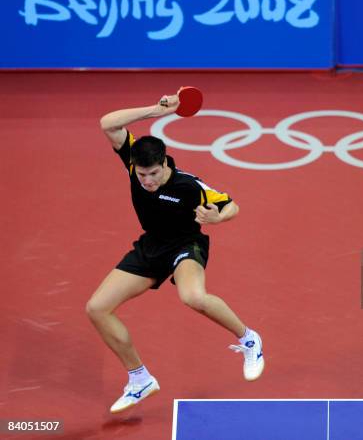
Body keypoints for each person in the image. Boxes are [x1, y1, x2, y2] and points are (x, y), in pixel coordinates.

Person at [86, 91, 264, 414]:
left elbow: (232, 206)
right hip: (152, 245)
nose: (148, 181)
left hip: (186, 245)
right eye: (142, 175)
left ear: (164, 163)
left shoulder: (188, 185)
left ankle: (250, 339)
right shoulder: (132, 164)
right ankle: (139, 378)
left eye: (153, 174)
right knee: (97, 308)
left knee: (192, 297)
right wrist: (155, 110)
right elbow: (107, 124)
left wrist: (218, 218)